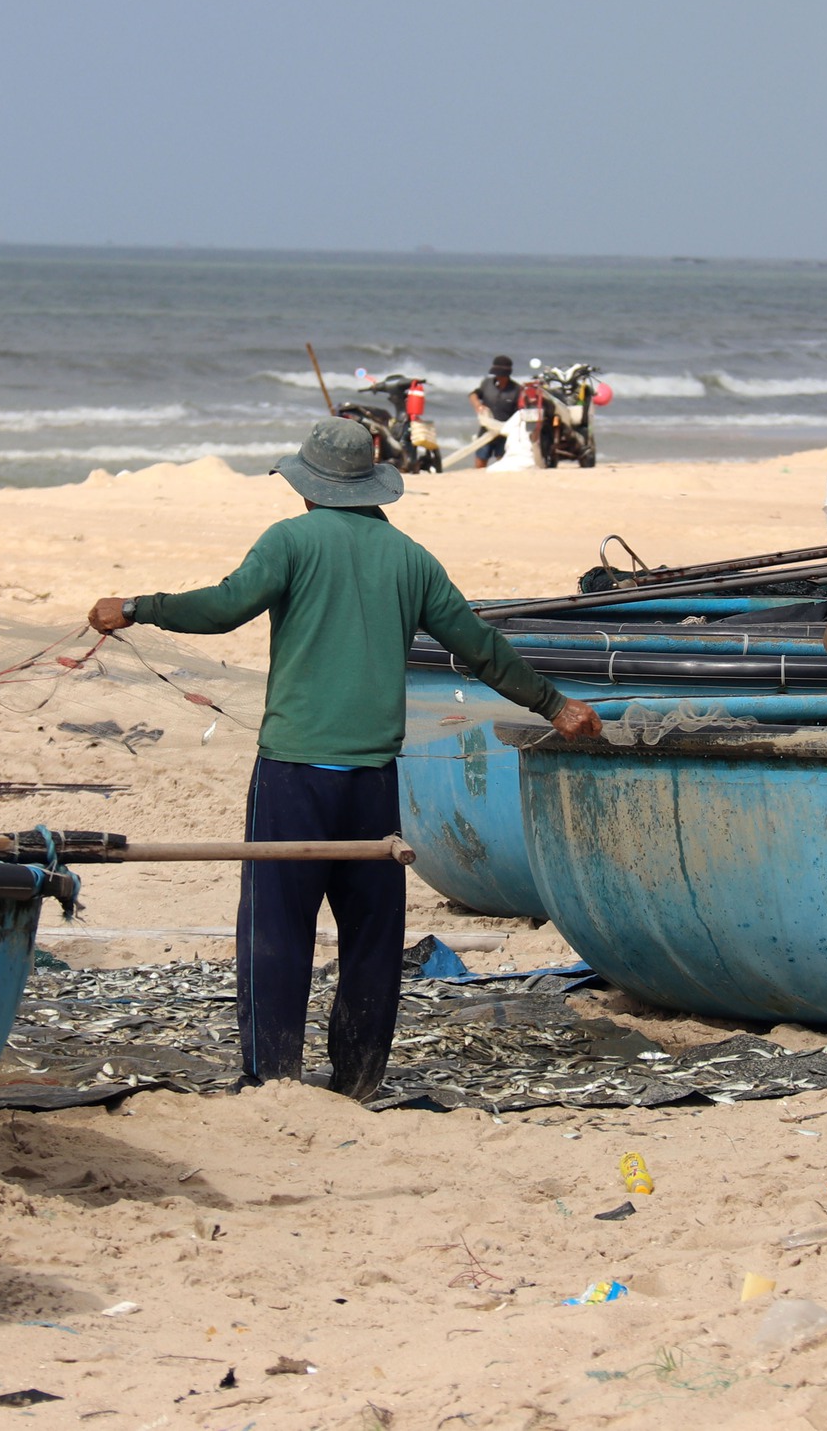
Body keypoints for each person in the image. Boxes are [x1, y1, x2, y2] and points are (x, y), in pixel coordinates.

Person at [88, 417, 600, 1100]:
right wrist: (555, 705)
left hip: (295, 774)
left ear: (308, 488)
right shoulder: (411, 557)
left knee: (276, 927)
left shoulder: (291, 541)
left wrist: (136, 606)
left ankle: (272, 1075)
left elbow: (223, 607)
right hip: (372, 783)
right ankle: (359, 1079)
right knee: (370, 937)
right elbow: (479, 646)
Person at [467, 354, 522, 467]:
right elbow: (473, 395)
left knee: (502, 460)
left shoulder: (517, 390)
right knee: (481, 458)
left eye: (502, 375)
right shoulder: (487, 384)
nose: (499, 377)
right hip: (486, 430)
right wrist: (477, 405)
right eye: (497, 374)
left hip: (505, 432)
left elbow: (519, 413)